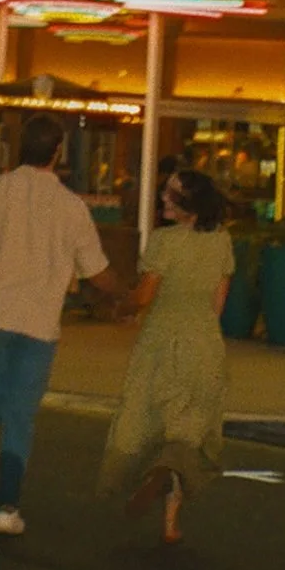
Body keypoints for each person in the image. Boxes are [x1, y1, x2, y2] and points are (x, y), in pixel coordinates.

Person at [0, 112, 126, 537]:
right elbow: (97, 273)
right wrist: (123, 293)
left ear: (16, 147)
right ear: (58, 153)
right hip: (40, 324)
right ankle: (7, 506)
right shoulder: (72, 208)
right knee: (21, 416)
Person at [97, 168, 235, 545]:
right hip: (205, 343)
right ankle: (171, 520)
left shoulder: (164, 242)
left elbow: (144, 296)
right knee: (187, 432)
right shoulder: (222, 242)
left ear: (184, 204)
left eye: (170, 195)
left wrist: (122, 306)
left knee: (147, 418)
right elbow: (217, 302)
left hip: (162, 343)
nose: (162, 199)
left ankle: (148, 473)